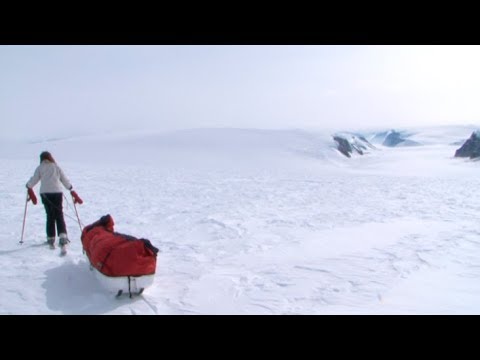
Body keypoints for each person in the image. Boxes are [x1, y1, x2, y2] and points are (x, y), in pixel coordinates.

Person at [26, 151, 81, 250]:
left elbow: (34, 179)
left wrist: (28, 185)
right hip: (57, 193)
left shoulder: (40, 168)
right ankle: (63, 237)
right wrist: (70, 187)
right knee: (59, 214)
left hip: (45, 194)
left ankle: (50, 238)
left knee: (50, 215)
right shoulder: (56, 167)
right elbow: (64, 179)